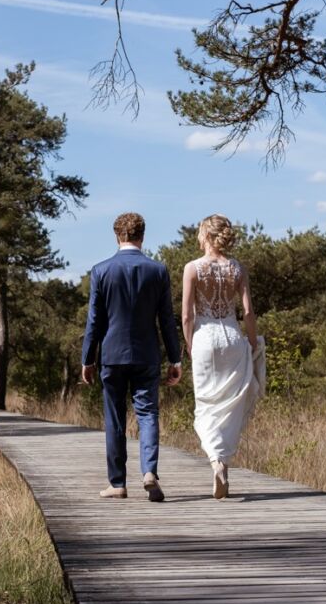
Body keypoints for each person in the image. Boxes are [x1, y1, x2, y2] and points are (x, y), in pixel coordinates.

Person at [81, 212, 182, 502]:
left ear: (117, 236)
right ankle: (149, 471)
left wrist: (87, 359)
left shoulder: (101, 270)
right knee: (148, 413)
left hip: (111, 355)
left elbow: (94, 321)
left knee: (114, 418)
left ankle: (118, 483)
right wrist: (175, 360)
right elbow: (166, 320)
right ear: (142, 236)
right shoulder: (158, 270)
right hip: (146, 354)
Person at [181, 214, 264, 499]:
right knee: (231, 403)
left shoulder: (192, 268)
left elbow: (186, 315)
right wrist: (253, 344)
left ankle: (216, 461)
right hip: (232, 337)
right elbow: (249, 312)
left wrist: (190, 345)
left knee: (206, 404)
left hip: (205, 338)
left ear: (205, 235)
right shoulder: (237, 268)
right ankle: (223, 463)